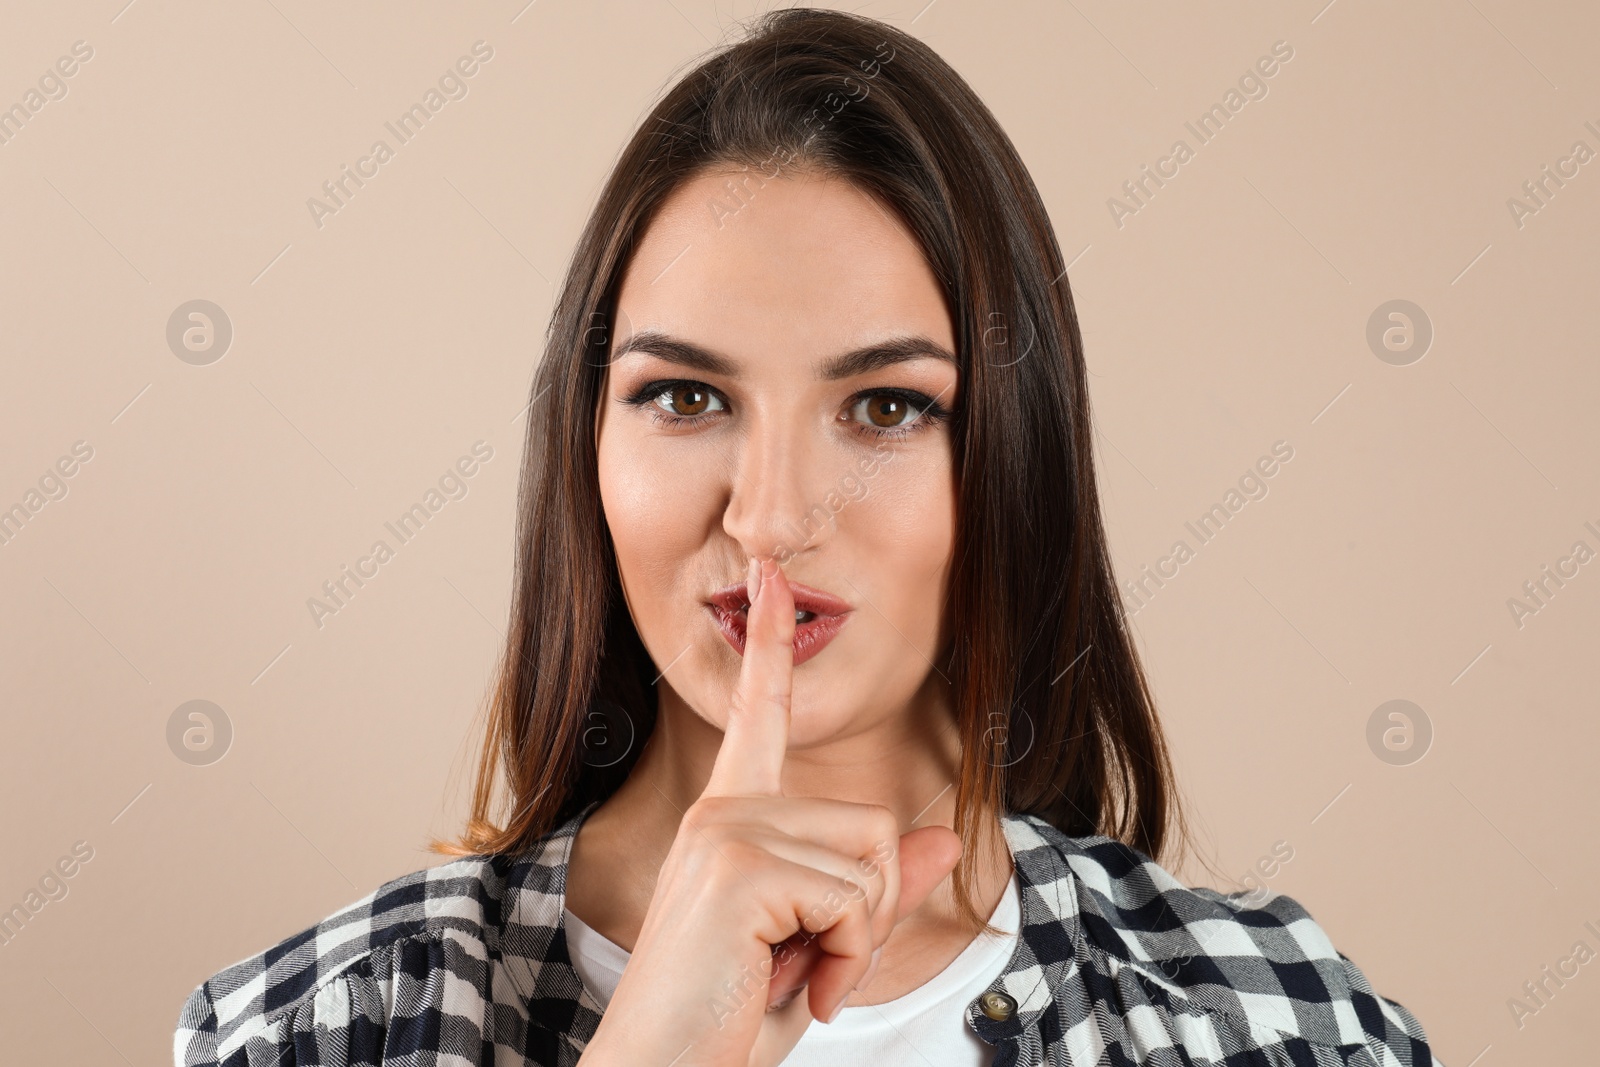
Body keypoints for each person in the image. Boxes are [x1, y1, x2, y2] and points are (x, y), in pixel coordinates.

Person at [174, 9, 1440, 1066]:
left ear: (1014, 462)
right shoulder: (320, 1026)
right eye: (686, 397)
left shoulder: (1280, 1022)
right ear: (585, 448)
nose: (772, 517)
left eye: (886, 406)